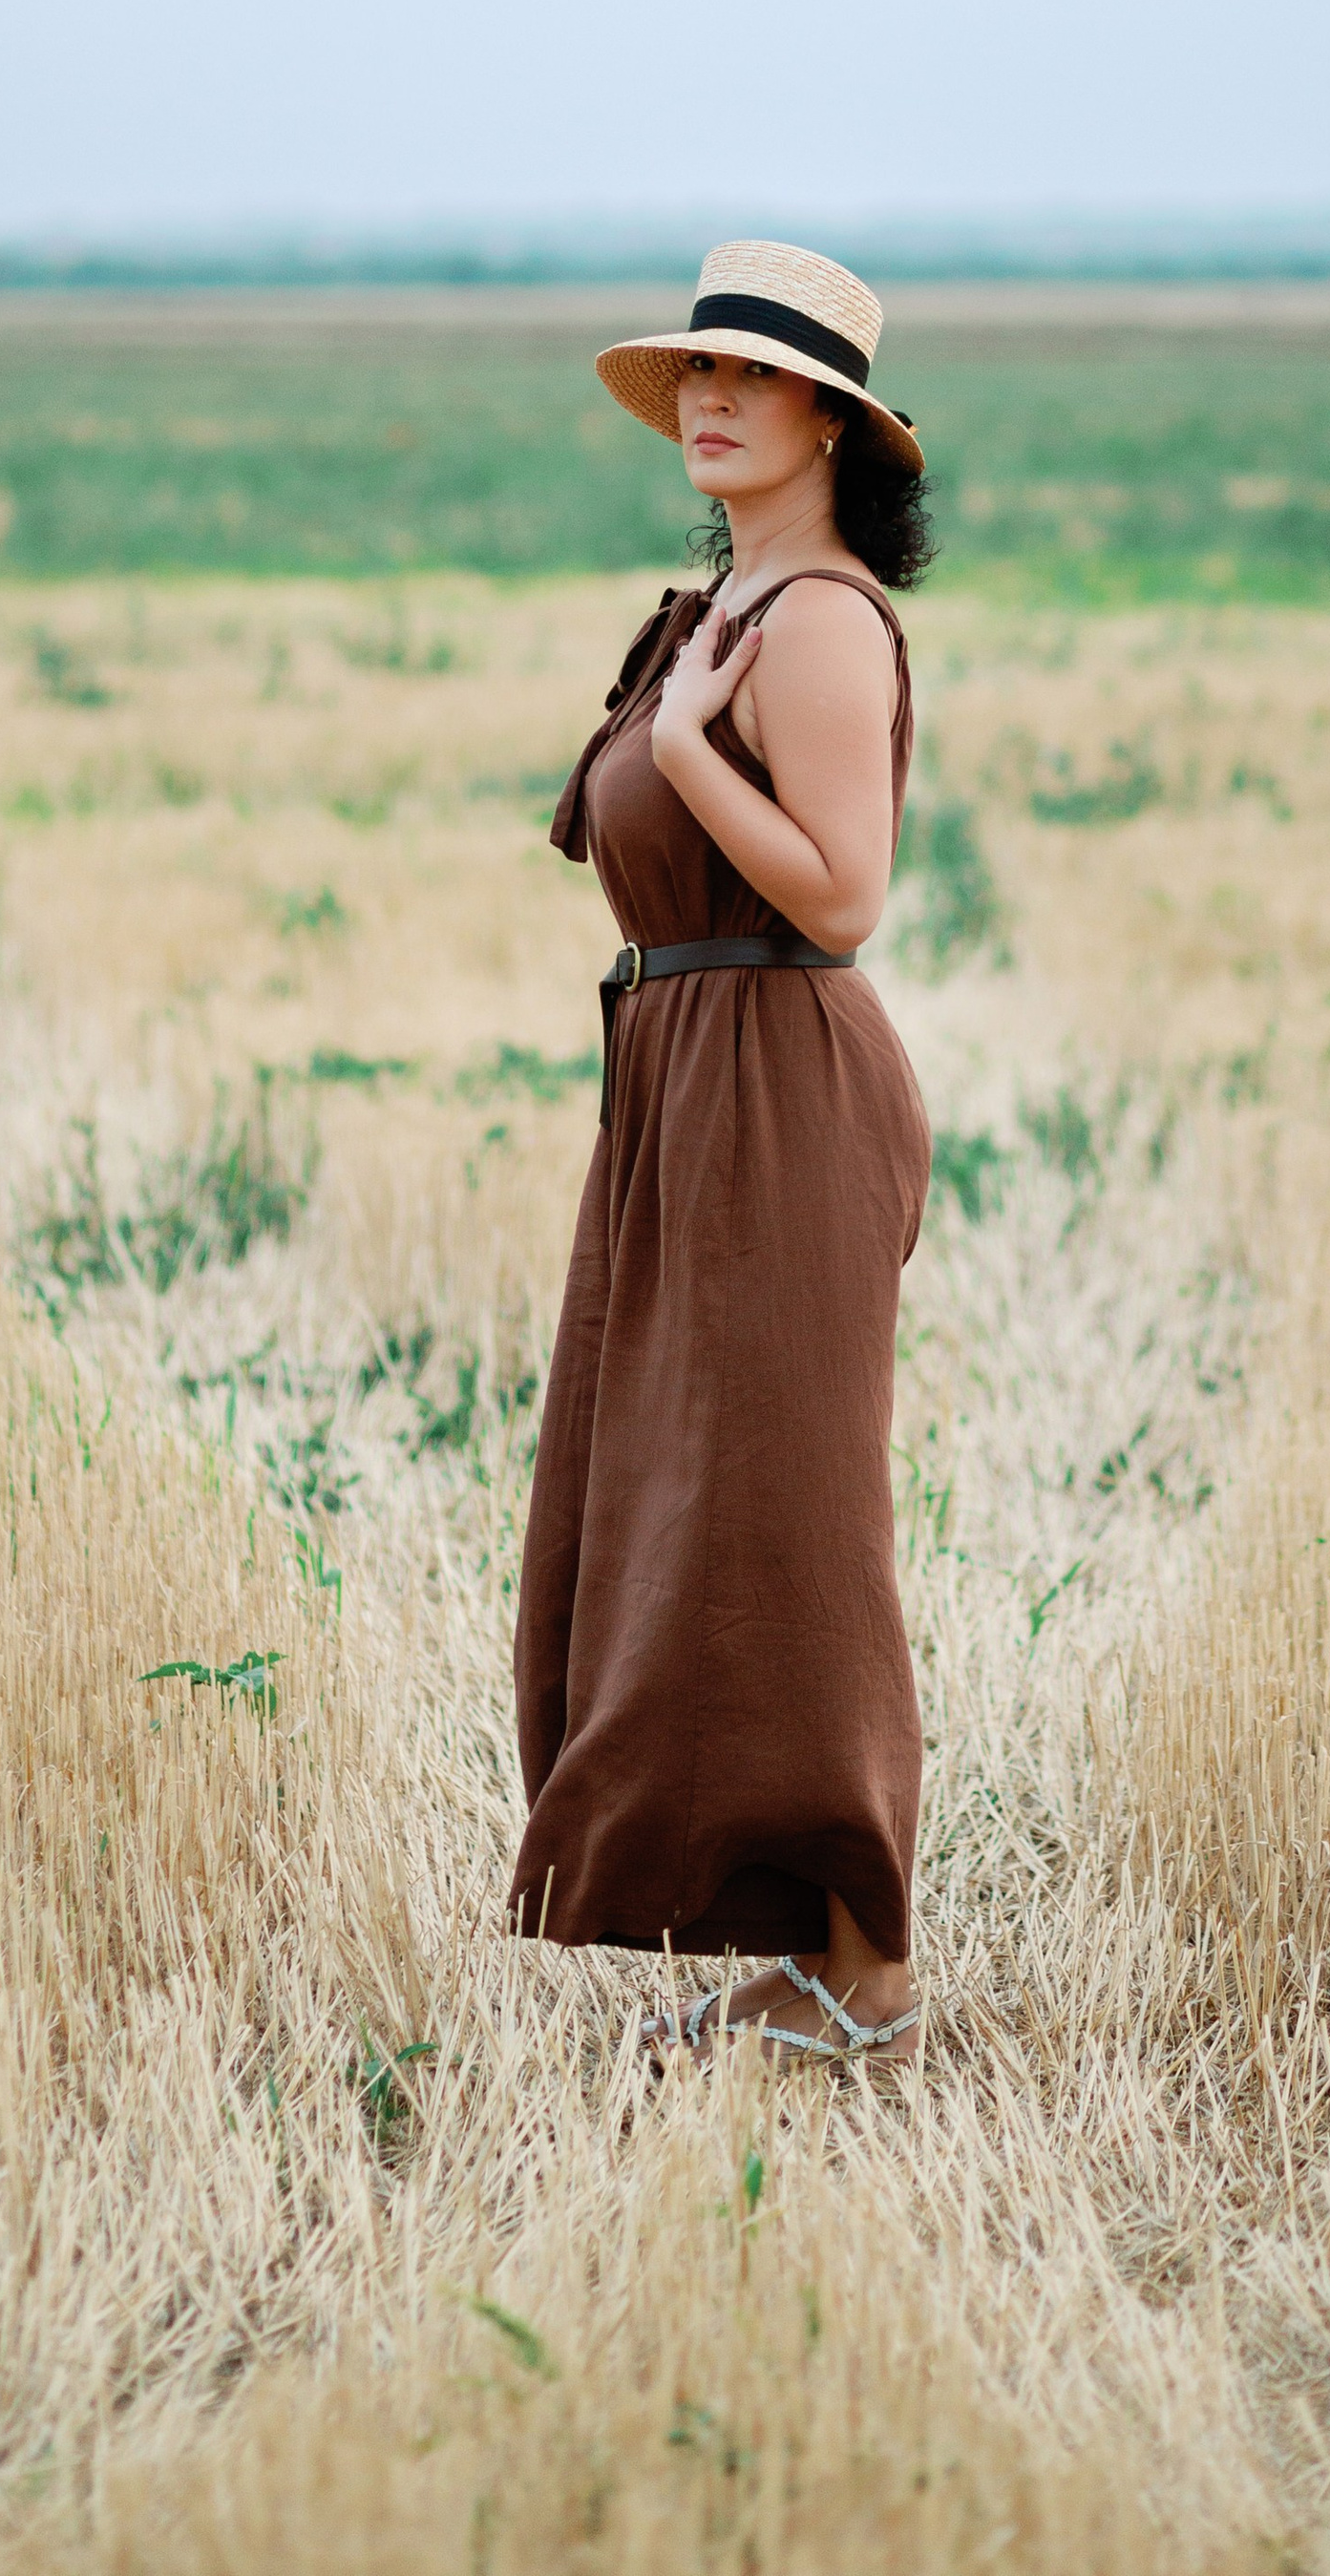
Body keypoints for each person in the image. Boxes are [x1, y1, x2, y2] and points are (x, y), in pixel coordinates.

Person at [510, 239, 937, 2066]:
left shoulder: (820, 622)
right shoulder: (718, 614)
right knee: (679, 1519)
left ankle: (874, 1980)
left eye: (747, 380)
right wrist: (684, 718)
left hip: (780, 1082)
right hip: (690, 1084)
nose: (706, 399)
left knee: (788, 1530)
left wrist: (690, 757)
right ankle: (794, 1943)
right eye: (693, 373)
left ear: (829, 422)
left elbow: (844, 897)